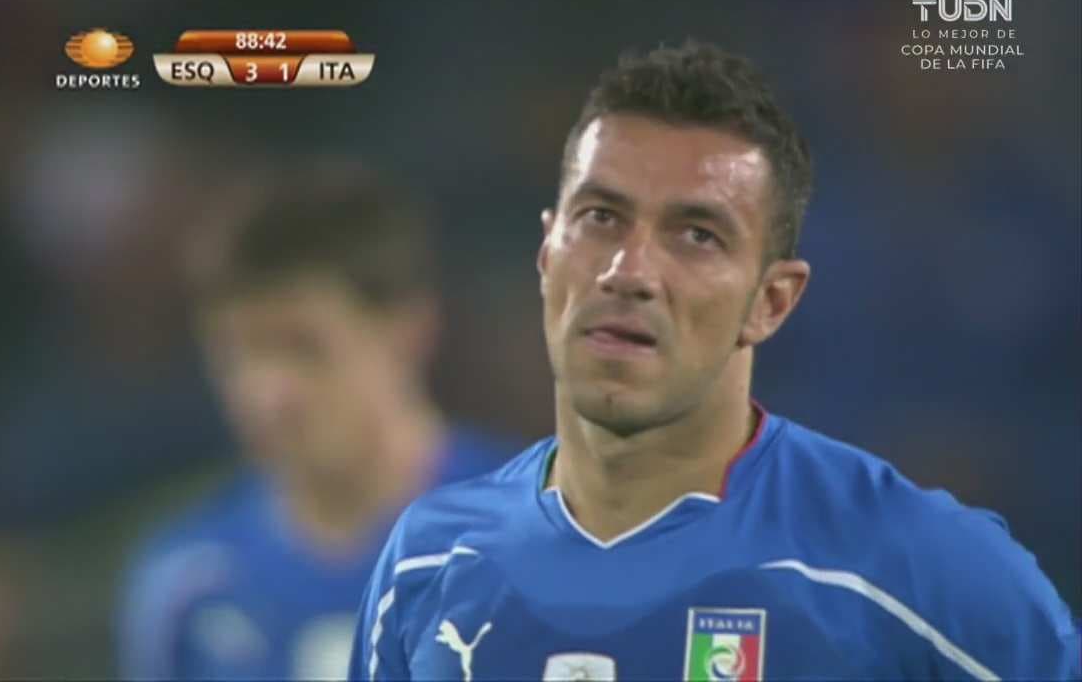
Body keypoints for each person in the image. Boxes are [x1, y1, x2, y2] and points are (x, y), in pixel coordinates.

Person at [348, 41, 1080, 681]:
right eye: (601, 218)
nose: (629, 272)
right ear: (546, 252)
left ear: (772, 301)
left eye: (696, 235)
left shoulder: (910, 569)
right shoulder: (428, 561)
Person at [118, 159, 508, 680]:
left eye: (303, 347)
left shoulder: (527, 541)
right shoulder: (189, 583)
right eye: (238, 354)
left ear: (409, 331)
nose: (268, 393)